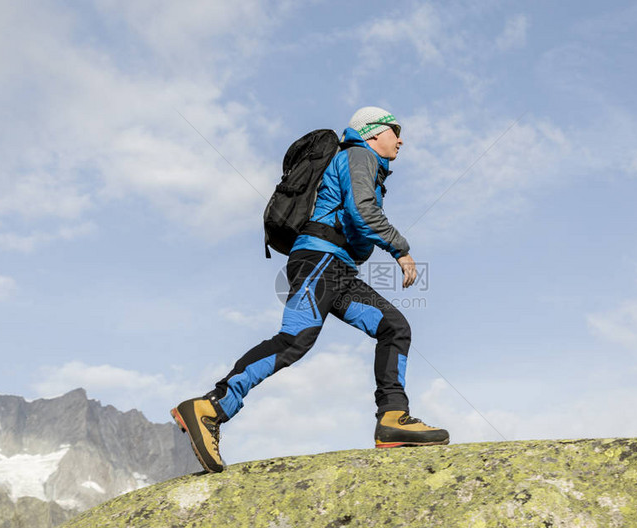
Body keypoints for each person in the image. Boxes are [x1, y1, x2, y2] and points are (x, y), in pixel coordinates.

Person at [171, 106, 449, 473]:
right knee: (294, 339)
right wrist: (401, 249)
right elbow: (363, 212)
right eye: (394, 130)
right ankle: (211, 407)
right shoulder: (358, 155)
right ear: (372, 132)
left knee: (393, 327)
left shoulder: (363, 161)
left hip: (337, 270)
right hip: (319, 261)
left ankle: (393, 417)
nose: (401, 139)